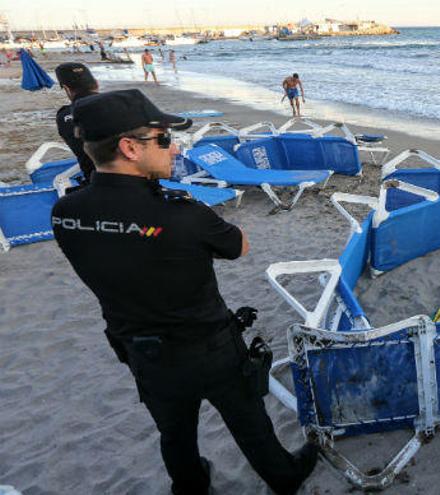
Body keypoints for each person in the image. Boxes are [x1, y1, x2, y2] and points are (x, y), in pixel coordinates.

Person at [51, 89, 319, 494]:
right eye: (162, 139)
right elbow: (239, 246)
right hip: (208, 347)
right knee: (249, 421)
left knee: (174, 432)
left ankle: (191, 486)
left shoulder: (66, 213)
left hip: (141, 351)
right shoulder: (182, 214)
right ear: (129, 147)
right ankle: (283, 477)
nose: (173, 148)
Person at [54, 62, 100, 184]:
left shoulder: (64, 116)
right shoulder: (127, 102)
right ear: (96, 83)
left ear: (66, 89)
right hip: (146, 183)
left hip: (97, 184)